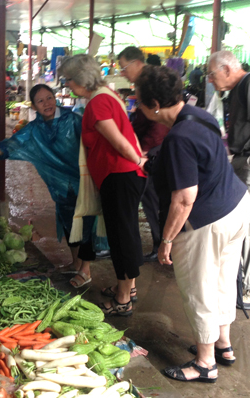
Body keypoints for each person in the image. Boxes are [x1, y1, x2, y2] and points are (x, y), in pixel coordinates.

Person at [135, 65, 250, 383]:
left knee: (199, 290)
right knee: (224, 281)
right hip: (236, 206)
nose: (138, 108)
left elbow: (185, 199)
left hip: (207, 221)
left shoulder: (177, 138)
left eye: (140, 103)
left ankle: (204, 363)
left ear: (155, 105)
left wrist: (167, 239)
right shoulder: (200, 116)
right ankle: (223, 345)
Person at [0, 84, 98, 289]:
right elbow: (6, 146)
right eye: (40, 101)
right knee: (69, 224)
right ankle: (76, 263)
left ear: (55, 98)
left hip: (84, 181)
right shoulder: (34, 129)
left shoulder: (74, 120)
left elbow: (96, 141)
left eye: (49, 98)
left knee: (85, 226)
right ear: (34, 106)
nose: (46, 104)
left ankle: (86, 269)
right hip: (61, 187)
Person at [59, 54, 146, 316]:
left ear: (80, 80)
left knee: (121, 239)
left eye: (69, 81)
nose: (68, 86)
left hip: (119, 175)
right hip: (123, 175)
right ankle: (128, 288)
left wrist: (140, 161)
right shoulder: (107, 94)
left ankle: (122, 300)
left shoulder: (97, 104)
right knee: (127, 234)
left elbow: (120, 141)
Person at [207, 50, 250, 310]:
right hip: (243, 158)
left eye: (212, 75)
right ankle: (245, 278)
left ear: (226, 69)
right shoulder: (237, 89)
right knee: (241, 220)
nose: (211, 80)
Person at [118, 46, 168, 261]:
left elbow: (158, 122)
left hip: (154, 148)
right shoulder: (144, 82)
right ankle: (161, 243)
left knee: (153, 199)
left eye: (124, 67)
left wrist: (145, 150)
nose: (122, 72)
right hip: (151, 145)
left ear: (136, 63)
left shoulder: (150, 83)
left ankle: (162, 245)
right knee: (153, 199)